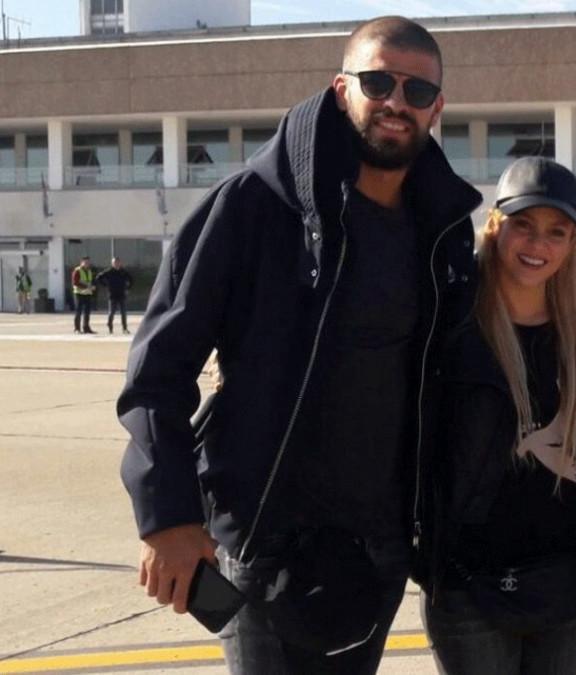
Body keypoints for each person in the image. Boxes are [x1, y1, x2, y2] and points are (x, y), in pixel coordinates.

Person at [117, 16, 481, 673]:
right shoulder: (254, 207)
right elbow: (157, 371)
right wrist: (166, 515)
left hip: (380, 544)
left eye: (417, 91)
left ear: (437, 108)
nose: (397, 101)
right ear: (343, 89)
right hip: (263, 538)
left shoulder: (443, 232)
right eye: (378, 82)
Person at [415, 157, 576, 675]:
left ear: (573, 243)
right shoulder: (449, 317)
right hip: (468, 582)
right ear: (495, 226)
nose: (538, 246)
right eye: (524, 226)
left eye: (557, 232)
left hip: (565, 580)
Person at [95, 257, 133, 334]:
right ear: (112, 264)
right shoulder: (109, 271)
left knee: (123, 312)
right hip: (112, 295)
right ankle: (110, 325)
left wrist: (127, 288)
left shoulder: (123, 272)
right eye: (115, 263)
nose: (117, 264)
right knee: (112, 312)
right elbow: (99, 277)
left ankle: (124, 328)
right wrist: (106, 285)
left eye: (118, 262)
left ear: (120, 263)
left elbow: (131, 279)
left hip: (121, 294)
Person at [71, 255, 96, 333]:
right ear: (81, 263)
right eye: (85, 262)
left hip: (87, 294)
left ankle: (86, 328)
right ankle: (77, 328)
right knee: (78, 311)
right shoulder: (77, 271)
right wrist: (86, 287)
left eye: (88, 262)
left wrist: (92, 287)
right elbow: (75, 282)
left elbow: (91, 281)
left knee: (87, 312)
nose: (87, 264)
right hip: (79, 293)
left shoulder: (89, 271)